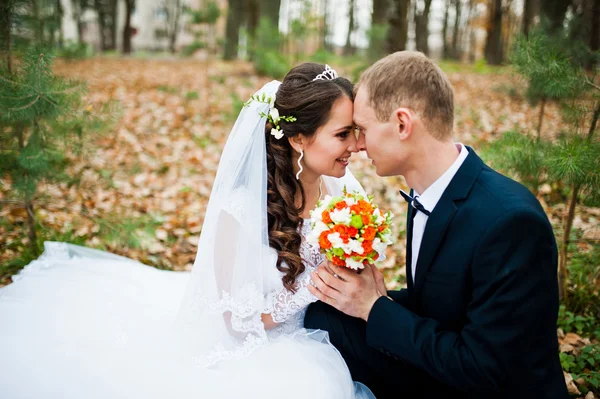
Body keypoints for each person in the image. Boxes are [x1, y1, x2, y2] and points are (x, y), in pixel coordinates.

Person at [0, 63, 375, 399]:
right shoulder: (243, 208)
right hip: (268, 346)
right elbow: (237, 322)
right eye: (343, 134)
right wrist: (309, 288)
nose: (356, 145)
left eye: (355, 133)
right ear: (297, 139)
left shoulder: (343, 191)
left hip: (333, 330)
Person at [305, 51, 569, 399]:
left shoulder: (509, 223)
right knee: (321, 320)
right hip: (449, 359)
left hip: (488, 385)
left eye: (364, 129)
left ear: (402, 124)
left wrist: (374, 307)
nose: (358, 145)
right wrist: (367, 297)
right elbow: (443, 305)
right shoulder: (429, 192)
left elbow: (488, 368)